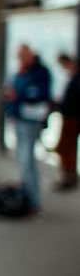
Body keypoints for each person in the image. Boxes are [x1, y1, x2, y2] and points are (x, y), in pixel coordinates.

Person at [3, 44, 52, 212]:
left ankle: (33, 200)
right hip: (19, 117)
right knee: (22, 158)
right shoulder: (20, 72)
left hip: (30, 119)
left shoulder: (39, 72)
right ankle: (27, 195)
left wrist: (19, 95)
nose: (21, 59)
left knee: (26, 159)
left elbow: (37, 93)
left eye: (23, 56)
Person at [53, 53, 80, 191]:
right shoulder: (72, 78)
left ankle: (68, 176)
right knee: (66, 148)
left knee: (65, 148)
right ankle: (68, 175)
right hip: (69, 116)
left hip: (72, 117)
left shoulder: (76, 79)